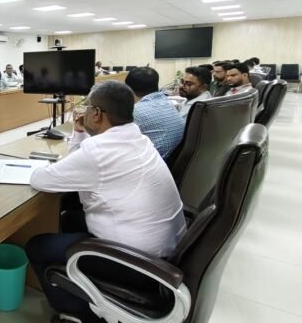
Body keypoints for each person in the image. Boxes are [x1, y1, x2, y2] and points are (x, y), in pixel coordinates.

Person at [25, 81, 186, 322]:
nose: (84, 111)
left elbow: (40, 180)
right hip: (164, 252)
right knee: (69, 218)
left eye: (87, 106)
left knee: (37, 246)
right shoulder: (137, 138)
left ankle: (77, 313)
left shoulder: (98, 151)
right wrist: (80, 132)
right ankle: (80, 283)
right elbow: (80, 166)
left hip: (136, 264)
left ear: (97, 113)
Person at [124, 67, 185, 159]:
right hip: (173, 160)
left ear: (128, 89)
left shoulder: (136, 111)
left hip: (154, 162)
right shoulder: (168, 102)